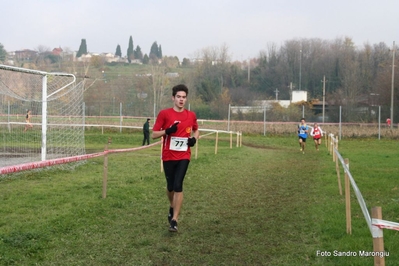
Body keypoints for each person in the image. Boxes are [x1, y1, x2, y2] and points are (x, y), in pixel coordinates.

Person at [152, 84, 199, 232]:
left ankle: (174, 220)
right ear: (173, 98)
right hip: (168, 155)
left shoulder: (191, 115)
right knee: (171, 186)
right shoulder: (164, 114)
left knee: (178, 185)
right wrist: (167, 131)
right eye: (178, 97)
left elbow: (196, 130)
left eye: (184, 97)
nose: (181, 100)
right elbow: (154, 134)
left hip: (184, 155)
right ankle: (172, 206)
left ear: (186, 99)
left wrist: (194, 139)